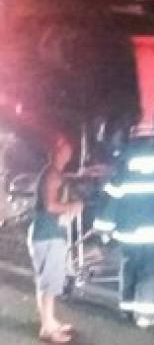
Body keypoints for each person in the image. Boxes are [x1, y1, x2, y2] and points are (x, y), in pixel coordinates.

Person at [92, 130, 154, 329]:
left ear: (133, 139)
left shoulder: (124, 167)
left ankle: (127, 309)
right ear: (152, 139)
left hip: (129, 233)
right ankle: (145, 316)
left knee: (130, 268)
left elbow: (111, 201)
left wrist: (104, 229)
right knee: (151, 272)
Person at [28, 135, 82, 343]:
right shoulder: (52, 174)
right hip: (48, 235)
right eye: (65, 149)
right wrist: (73, 206)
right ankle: (47, 329)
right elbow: (50, 205)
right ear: (57, 152)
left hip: (46, 234)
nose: (69, 152)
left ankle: (49, 321)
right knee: (49, 284)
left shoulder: (53, 173)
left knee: (45, 282)